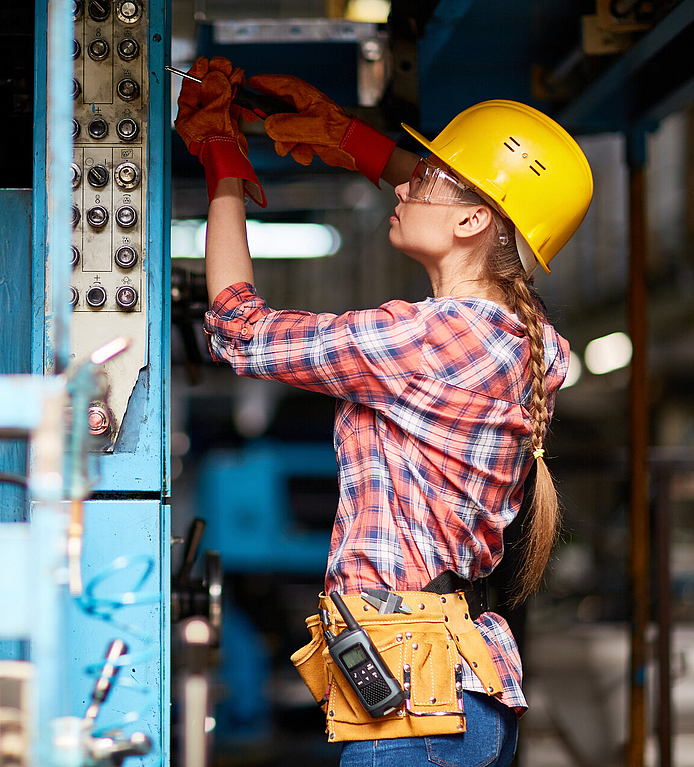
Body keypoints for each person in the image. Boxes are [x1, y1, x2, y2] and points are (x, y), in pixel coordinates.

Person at [175, 57, 593, 767]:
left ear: (472, 218)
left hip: (413, 700)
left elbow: (237, 330)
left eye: (424, 177)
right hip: (453, 689)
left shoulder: (431, 338)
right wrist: (343, 136)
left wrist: (224, 164)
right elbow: (461, 202)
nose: (402, 183)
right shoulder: (515, 337)